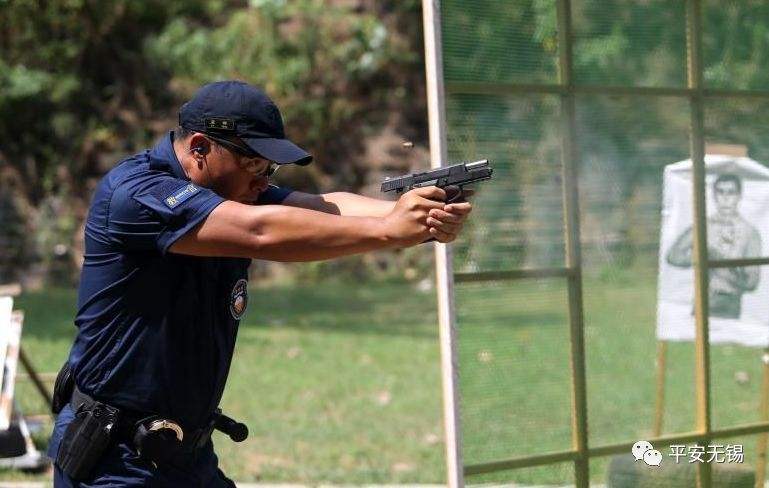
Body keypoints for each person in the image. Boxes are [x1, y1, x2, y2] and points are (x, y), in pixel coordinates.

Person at [48, 80, 473, 487]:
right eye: (254, 164)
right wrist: (388, 231)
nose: (264, 180)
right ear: (200, 148)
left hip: (186, 455)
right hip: (117, 460)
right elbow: (259, 232)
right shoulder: (138, 194)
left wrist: (414, 216)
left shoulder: (233, 189)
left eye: (270, 167)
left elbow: (324, 207)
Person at [666, 173, 761, 319]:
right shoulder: (703, 226)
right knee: (696, 332)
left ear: (739, 196)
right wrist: (700, 257)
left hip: (730, 302)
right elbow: (673, 255)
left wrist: (721, 266)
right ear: (714, 195)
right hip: (704, 297)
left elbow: (752, 282)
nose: (725, 198)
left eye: (731, 192)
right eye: (720, 192)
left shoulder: (750, 232)